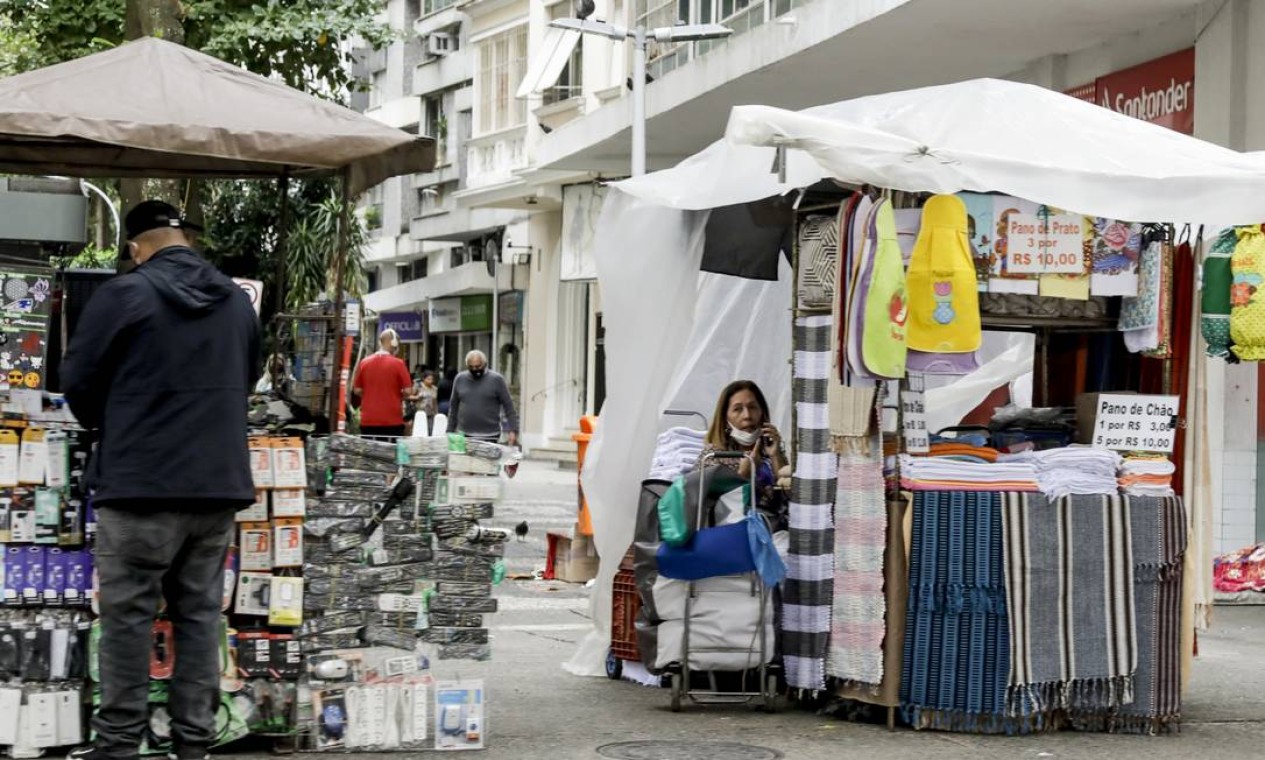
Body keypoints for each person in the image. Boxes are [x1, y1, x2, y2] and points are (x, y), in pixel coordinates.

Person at [60, 200, 260, 760]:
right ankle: (194, 742)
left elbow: (77, 378)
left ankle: (120, 743)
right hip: (216, 484)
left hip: (140, 482)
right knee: (199, 615)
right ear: (183, 238)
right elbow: (248, 376)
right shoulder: (235, 302)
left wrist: (115, 422)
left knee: (127, 618)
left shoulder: (124, 294)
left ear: (134, 246)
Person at [698, 380, 787, 517]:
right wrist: (744, 474)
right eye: (737, 409)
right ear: (725, 417)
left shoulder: (770, 449)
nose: (747, 416)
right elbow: (706, 507)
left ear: (762, 412)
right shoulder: (714, 455)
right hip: (734, 531)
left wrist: (776, 456)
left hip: (775, 528)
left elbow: (793, 496)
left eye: (752, 407)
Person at [352, 328, 417, 438]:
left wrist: (371, 394)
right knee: (390, 454)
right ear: (394, 343)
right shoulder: (399, 364)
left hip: (368, 420)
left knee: (371, 454)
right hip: (392, 420)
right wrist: (398, 395)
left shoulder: (364, 362)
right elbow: (408, 391)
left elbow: (357, 390)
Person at [448, 350, 518, 445]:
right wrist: (449, 431)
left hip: (490, 435)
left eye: (478, 366)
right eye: (471, 367)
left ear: (485, 364)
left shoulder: (497, 380)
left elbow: (508, 406)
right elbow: (453, 407)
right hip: (464, 435)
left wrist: (513, 430)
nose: (475, 369)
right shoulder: (460, 379)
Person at [415, 370, 439, 436]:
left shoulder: (435, 388)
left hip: (431, 413)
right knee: (420, 431)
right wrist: (417, 397)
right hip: (420, 412)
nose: (430, 381)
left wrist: (436, 412)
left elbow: (435, 401)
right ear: (424, 379)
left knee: (430, 431)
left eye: (432, 379)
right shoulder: (419, 387)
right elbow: (410, 397)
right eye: (428, 379)